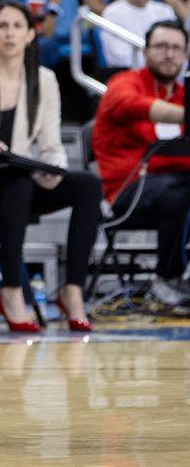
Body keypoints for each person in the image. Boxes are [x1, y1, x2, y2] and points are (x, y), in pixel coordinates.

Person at [0, 0, 102, 332]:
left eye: (17, 26)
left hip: (21, 180)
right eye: (2, 26)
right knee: (18, 183)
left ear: (30, 35)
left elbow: (53, 147)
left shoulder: (44, 79)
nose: (9, 33)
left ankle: (72, 291)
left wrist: (52, 171)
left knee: (86, 185)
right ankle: (11, 289)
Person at [92, 20, 190, 312]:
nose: (169, 54)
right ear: (145, 52)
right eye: (161, 47)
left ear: (185, 55)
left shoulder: (183, 96)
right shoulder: (125, 82)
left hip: (175, 188)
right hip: (126, 192)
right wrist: (185, 116)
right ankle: (166, 280)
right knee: (180, 193)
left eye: (176, 48)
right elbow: (128, 104)